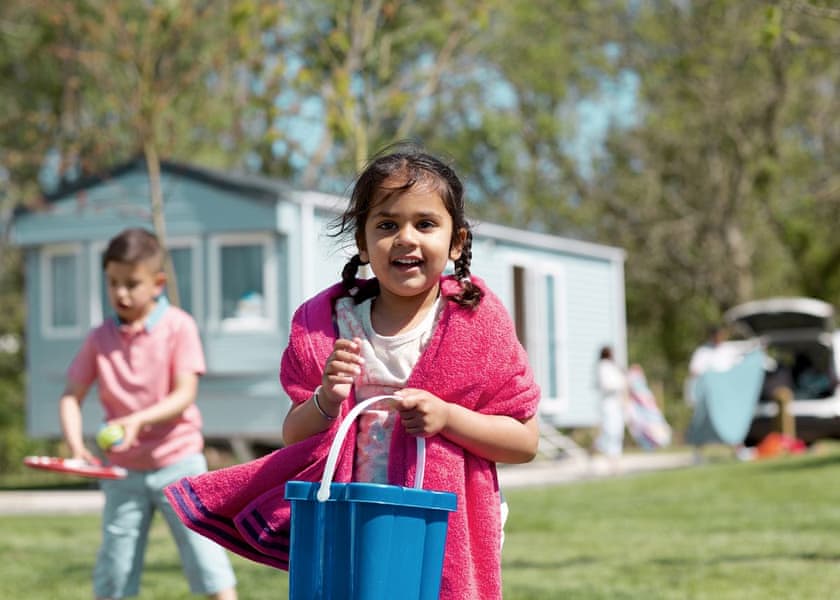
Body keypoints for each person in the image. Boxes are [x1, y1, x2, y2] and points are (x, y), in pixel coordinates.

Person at [164, 147, 541, 600]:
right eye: (386, 225)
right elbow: (294, 436)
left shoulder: (476, 324)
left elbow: (524, 441)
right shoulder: (329, 325)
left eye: (425, 223)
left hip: (440, 528)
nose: (405, 238)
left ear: (456, 241)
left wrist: (449, 418)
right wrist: (325, 397)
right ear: (362, 243)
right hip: (352, 521)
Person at [58, 227, 237, 600]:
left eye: (131, 284)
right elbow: (70, 397)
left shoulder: (178, 327)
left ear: (157, 283)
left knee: (207, 560)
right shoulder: (99, 338)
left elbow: (184, 394)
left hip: (179, 462)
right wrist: (76, 447)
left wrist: (139, 419)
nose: (120, 293)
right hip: (123, 471)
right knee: (115, 573)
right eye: (113, 282)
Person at [592, 346, 628, 472]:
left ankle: (615, 461)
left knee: (617, 432)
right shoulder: (602, 367)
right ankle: (603, 456)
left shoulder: (613, 367)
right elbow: (607, 384)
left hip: (616, 404)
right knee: (610, 431)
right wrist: (620, 384)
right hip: (608, 404)